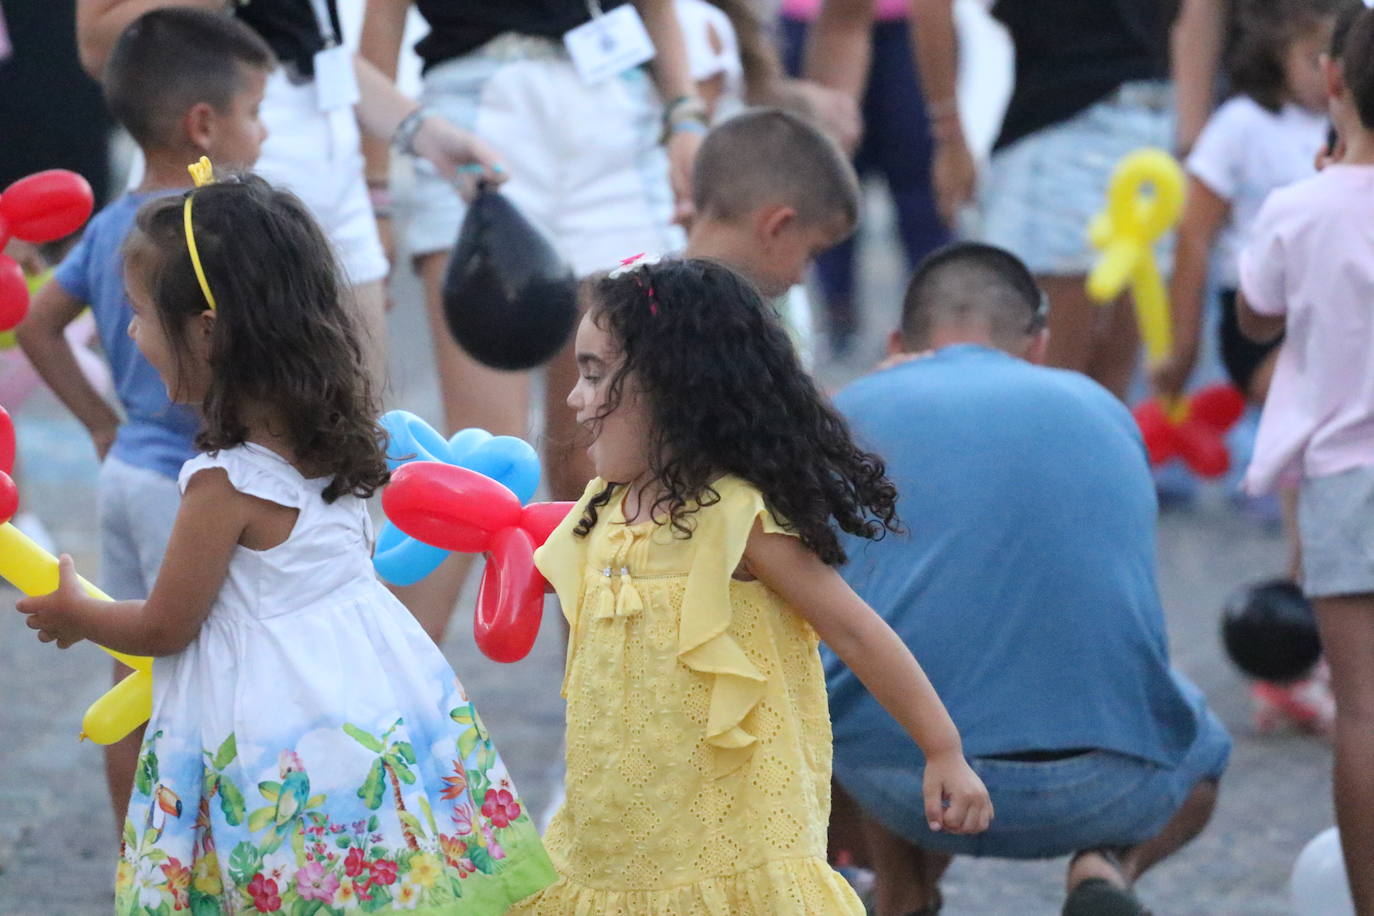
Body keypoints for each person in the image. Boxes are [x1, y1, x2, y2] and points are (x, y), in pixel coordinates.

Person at [15, 173, 556, 912]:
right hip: (366, 705)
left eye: (139, 316)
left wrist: (77, 615)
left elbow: (164, 626)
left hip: (276, 740)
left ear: (206, 331)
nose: (132, 336)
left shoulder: (225, 484)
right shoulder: (339, 439)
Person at [508, 257, 992, 914]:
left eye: (594, 374)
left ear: (669, 386)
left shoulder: (738, 518)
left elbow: (854, 628)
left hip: (727, 842)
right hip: (613, 842)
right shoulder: (601, 509)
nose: (574, 396)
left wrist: (943, 748)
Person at [830, 243, 1231, 916]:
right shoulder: (1105, 408)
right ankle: (1105, 868)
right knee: (1205, 758)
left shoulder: (852, 409)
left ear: (898, 341)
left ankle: (904, 891)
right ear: (1039, 344)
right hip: (1104, 781)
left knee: (857, 667)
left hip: (907, 782)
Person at [15, 8, 272, 838]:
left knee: (130, 682)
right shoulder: (216, 230)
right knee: (204, 679)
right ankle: (211, 855)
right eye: (254, 113)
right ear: (204, 124)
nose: (261, 134)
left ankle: (142, 859)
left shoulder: (108, 226)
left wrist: (101, 423)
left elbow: (38, 325)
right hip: (189, 493)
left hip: (127, 472)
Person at [76, 0, 506, 381]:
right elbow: (97, 42)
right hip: (228, 169)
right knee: (235, 432)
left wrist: (421, 133)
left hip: (334, 159)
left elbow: (315, 44)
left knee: (356, 425)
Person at [816, 0, 1224, 399]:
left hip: (1154, 123)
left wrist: (1192, 137)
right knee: (1045, 381)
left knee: (1109, 390)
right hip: (1063, 126)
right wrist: (949, 132)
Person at [1154, 0, 1355, 737]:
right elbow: (1195, 238)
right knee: (1321, 457)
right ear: (1276, 52)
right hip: (1263, 324)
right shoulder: (1242, 125)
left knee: (1327, 471)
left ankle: (1307, 643)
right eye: (1312, 60)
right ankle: (1309, 645)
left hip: (1336, 320)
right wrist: (1178, 348)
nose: (1326, 77)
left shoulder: (1348, 131)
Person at [1236, 9, 1374, 909]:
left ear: (1332, 82)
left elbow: (1254, 316)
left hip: (1346, 480)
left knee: (1362, 712)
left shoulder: (1300, 207)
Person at [780, 0, 949, 356]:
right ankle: (837, 314)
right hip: (810, 18)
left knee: (922, 192)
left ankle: (941, 317)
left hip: (905, 21)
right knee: (829, 179)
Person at [684, 106, 860, 366]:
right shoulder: (757, 337)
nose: (801, 278)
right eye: (812, 253)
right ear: (776, 227)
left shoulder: (622, 307)